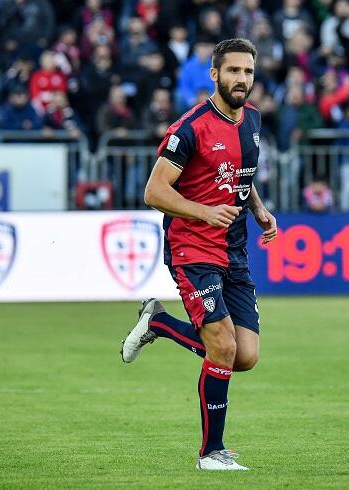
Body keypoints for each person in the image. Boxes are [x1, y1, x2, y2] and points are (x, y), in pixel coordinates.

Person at [120, 38, 277, 471]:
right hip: (192, 249)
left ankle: (159, 323)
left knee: (244, 355)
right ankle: (211, 453)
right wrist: (205, 212)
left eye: (247, 71)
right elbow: (154, 191)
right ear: (215, 75)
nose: (241, 79)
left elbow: (241, 175)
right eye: (233, 71)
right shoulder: (188, 129)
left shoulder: (253, 121)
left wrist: (259, 210)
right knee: (222, 345)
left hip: (235, 249)